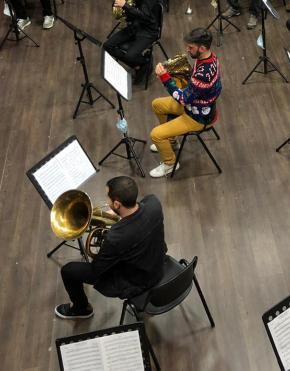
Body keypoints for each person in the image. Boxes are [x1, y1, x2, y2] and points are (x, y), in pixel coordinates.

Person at [55, 176, 166, 319]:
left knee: (68, 270)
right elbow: (139, 212)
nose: (107, 202)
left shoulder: (116, 237)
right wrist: (121, 217)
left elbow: (96, 271)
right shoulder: (154, 203)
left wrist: (107, 244)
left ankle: (81, 309)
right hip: (157, 263)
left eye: (108, 198)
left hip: (138, 282)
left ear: (117, 204)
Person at [149, 28, 222, 178]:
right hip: (196, 105)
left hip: (197, 117)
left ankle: (170, 164)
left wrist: (165, 78)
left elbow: (183, 99)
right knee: (157, 104)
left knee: (155, 134)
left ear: (202, 48)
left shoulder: (203, 75)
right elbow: (192, 89)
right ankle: (171, 142)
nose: (187, 50)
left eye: (190, 47)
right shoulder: (211, 57)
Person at [105, 0, 161, 74]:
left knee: (130, 56)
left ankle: (145, 62)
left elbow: (145, 15)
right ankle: (138, 64)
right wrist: (119, 7)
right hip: (136, 25)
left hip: (149, 29)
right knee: (108, 46)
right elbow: (133, 10)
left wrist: (125, 5)